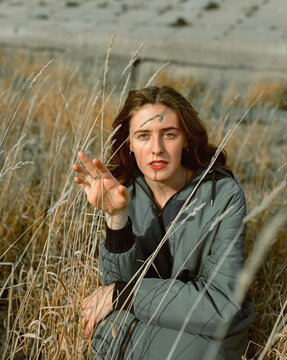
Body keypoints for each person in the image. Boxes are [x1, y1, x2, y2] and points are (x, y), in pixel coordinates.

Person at [72, 86, 255, 360]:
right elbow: (114, 284)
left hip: (206, 335)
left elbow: (220, 307)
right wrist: (116, 218)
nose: (157, 149)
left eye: (169, 134)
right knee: (108, 331)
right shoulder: (124, 192)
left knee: (116, 335)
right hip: (161, 324)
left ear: (186, 140)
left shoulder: (223, 195)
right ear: (129, 144)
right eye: (143, 136)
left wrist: (126, 297)